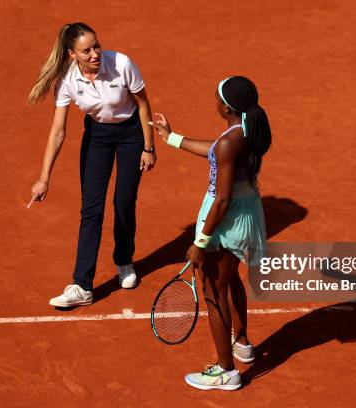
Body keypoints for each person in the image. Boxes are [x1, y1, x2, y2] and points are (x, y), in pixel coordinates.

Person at [150, 76, 271, 390]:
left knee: (213, 292)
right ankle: (242, 342)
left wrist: (200, 242)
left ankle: (226, 371)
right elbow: (217, 151)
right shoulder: (243, 132)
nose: (213, 101)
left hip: (226, 217)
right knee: (229, 279)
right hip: (245, 212)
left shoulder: (231, 141)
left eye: (216, 98)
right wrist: (172, 137)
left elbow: (222, 199)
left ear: (227, 107)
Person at [27, 22, 157, 307]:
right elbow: (58, 130)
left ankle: (124, 261)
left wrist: (148, 147)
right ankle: (82, 285)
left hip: (131, 135)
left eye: (96, 46)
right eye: (86, 51)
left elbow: (144, 104)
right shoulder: (67, 80)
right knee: (91, 210)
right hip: (97, 137)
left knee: (124, 203)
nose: (96, 53)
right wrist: (44, 177)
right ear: (72, 54)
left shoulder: (121, 63)